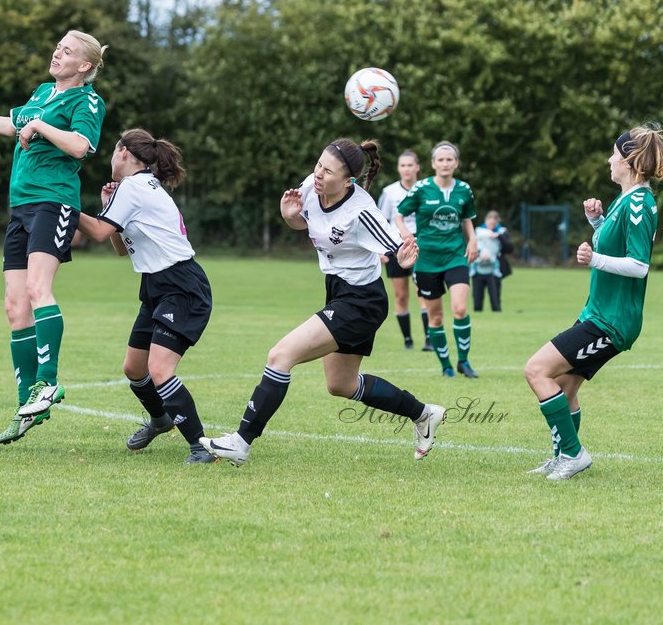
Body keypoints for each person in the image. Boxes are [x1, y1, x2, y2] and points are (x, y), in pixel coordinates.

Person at [200, 139, 447, 466]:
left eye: (327, 171)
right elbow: (303, 222)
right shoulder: (310, 187)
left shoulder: (361, 211)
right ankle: (424, 414)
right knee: (341, 384)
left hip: (362, 300)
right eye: (318, 165)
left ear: (348, 182)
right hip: (339, 292)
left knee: (280, 355)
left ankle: (241, 442)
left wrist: (404, 257)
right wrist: (289, 216)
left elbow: (396, 250)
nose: (318, 174)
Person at [0, 30, 107, 444]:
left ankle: (48, 382)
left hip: (53, 202)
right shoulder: (42, 92)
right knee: (15, 307)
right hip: (19, 207)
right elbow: (11, 124)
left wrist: (40, 125)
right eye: (57, 47)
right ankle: (27, 406)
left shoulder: (86, 100)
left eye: (67, 51)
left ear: (85, 66)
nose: (57, 53)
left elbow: (80, 145)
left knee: (39, 290)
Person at [523, 125, 663, 480]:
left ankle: (573, 454)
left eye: (614, 154)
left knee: (536, 370)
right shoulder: (626, 200)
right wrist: (597, 222)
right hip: (599, 312)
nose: (609, 159)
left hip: (612, 320)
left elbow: (638, 266)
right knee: (566, 385)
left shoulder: (639, 202)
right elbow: (615, 245)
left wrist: (594, 260)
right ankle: (563, 455)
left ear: (630, 161)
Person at [73, 129, 215, 464]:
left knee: (160, 369)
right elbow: (120, 248)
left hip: (181, 286)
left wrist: (59, 205)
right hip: (157, 286)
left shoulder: (134, 186)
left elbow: (95, 232)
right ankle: (161, 419)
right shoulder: (140, 186)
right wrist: (109, 210)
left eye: (112, 150)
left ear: (123, 152)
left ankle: (200, 446)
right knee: (135, 368)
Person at [394, 142, 478, 378]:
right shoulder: (421, 188)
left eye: (449, 159)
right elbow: (399, 214)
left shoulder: (464, 189)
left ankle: (464, 361)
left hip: (455, 256)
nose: (445, 163)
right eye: (440, 160)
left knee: (460, 309)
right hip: (426, 261)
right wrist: (404, 232)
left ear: (456, 163)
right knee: (436, 316)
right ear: (433, 164)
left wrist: (473, 239)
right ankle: (446, 366)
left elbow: (467, 218)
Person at [377, 150, 428, 349]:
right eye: (402, 165)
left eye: (410, 165)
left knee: (422, 291)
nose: (406, 169)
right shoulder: (390, 192)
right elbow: (381, 220)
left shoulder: (426, 189)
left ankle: (429, 338)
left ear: (417, 167)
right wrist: (380, 250)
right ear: (398, 168)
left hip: (421, 246)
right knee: (401, 295)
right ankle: (407, 339)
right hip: (395, 247)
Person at [471, 210, 506, 312]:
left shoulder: (501, 232)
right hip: (478, 270)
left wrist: (498, 235)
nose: (492, 224)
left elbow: (507, 247)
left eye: (494, 223)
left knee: (495, 300)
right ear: (486, 221)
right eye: (490, 222)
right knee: (477, 300)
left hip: (493, 270)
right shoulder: (479, 231)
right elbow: (478, 236)